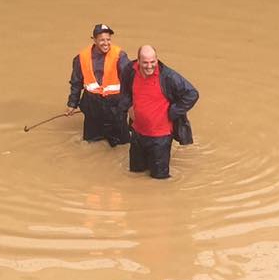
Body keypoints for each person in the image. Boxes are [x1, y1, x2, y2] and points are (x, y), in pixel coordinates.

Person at [118, 44, 199, 181]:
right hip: (137, 134)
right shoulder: (130, 71)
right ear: (138, 61)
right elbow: (125, 90)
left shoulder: (168, 77)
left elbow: (192, 94)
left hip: (160, 138)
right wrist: (128, 106)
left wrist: (172, 112)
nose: (149, 66)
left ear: (157, 59)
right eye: (145, 62)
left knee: (159, 180)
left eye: (152, 62)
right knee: (134, 174)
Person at [68, 24, 130, 148]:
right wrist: (72, 104)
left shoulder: (120, 56)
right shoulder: (81, 58)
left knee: (122, 144)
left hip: (115, 107)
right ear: (94, 40)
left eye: (108, 39)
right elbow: (76, 82)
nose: (106, 43)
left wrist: (133, 105)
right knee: (91, 143)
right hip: (92, 107)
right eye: (102, 40)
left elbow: (130, 80)